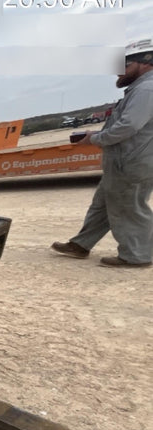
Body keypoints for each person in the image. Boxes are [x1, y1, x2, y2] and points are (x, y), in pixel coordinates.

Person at [51, 39, 153, 268]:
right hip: (124, 161)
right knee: (104, 203)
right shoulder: (140, 89)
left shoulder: (147, 89)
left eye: (124, 64)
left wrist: (95, 139)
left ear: (146, 62)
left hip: (132, 162)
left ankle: (136, 256)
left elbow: (129, 126)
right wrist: (96, 133)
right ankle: (81, 244)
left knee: (130, 207)